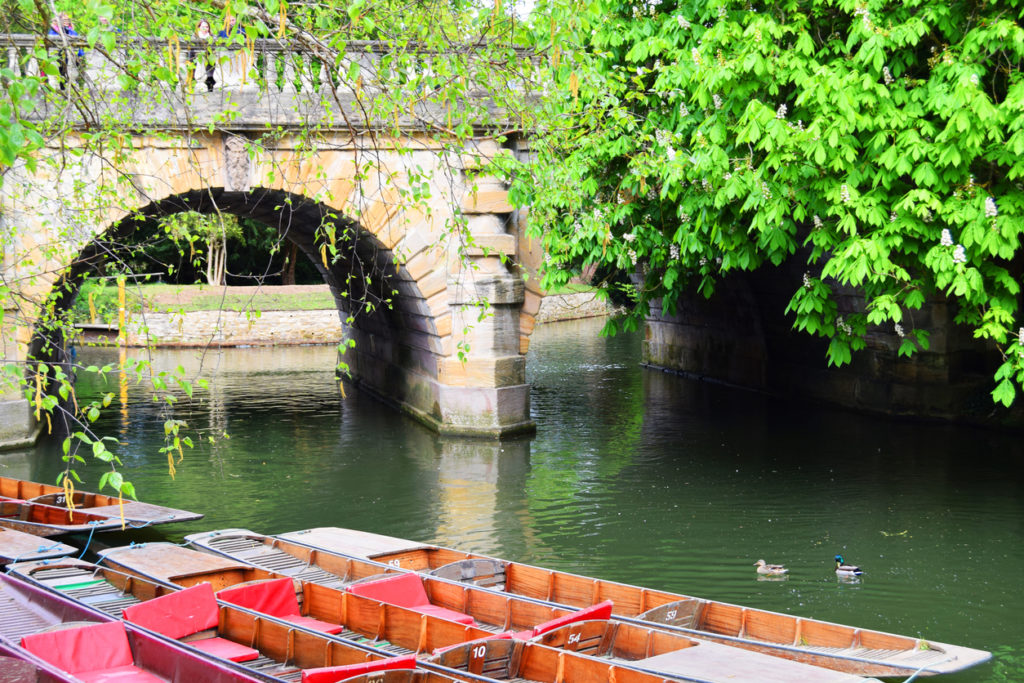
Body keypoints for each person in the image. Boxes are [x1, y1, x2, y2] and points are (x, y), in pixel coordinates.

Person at [48, 13, 83, 89]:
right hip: (57, 58)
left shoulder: (71, 31)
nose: (66, 22)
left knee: (68, 76)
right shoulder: (52, 31)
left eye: (67, 20)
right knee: (57, 76)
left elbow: (78, 45)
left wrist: (80, 55)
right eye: (64, 20)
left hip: (69, 58)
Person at [193, 19, 216, 91]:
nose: (205, 29)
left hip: (210, 62)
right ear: (199, 27)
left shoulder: (212, 37)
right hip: (198, 60)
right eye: (203, 27)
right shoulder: (195, 36)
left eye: (207, 27)